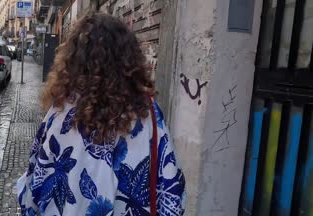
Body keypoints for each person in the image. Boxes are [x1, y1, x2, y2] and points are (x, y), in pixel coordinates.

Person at [17, 12, 186, 216]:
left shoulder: (61, 114)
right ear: (129, 59)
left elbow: (35, 183)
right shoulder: (148, 112)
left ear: (74, 59)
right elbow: (172, 190)